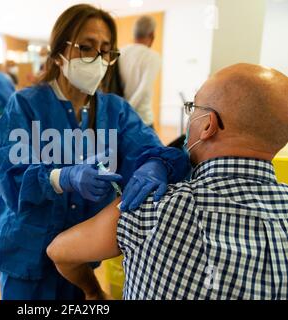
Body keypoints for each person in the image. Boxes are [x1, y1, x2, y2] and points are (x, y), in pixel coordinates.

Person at [0, 4, 190, 300]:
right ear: (57, 53)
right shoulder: (26, 105)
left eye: (106, 50)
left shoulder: (114, 111)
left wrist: (155, 164)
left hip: (79, 255)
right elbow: (6, 170)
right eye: (85, 47)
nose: (98, 59)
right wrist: (59, 177)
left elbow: (151, 148)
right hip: (26, 250)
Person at [47, 63, 288, 300]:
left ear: (207, 125)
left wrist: (94, 292)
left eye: (193, 107)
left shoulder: (156, 206)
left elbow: (59, 251)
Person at [118, 15, 161, 128]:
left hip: (122, 118)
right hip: (142, 119)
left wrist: (122, 113)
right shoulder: (152, 56)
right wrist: (127, 111)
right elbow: (144, 89)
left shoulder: (120, 52)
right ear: (152, 35)